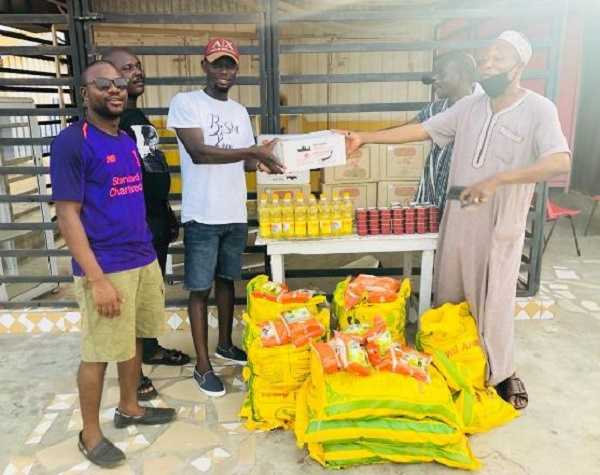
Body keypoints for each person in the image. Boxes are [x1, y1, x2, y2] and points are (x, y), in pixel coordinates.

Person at [341, 31, 571, 410]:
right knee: (450, 296)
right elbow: (422, 130)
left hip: (499, 227)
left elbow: (560, 160)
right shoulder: (470, 106)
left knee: (492, 302)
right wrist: (364, 138)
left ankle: (502, 372)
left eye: (499, 58)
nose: (489, 63)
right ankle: (453, 364)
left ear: (519, 66)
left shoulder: (538, 109)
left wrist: (500, 178)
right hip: (459, 220)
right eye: (487, 58)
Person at [50, 60, 176, 468]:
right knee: (98, 352)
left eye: (120, 83)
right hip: (106, 266)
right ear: (84, 93)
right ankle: (90, 434)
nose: (116, 89)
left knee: (134, 339)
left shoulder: (124, 140)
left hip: (141, 258)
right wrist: (96, 278)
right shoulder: (73, 142)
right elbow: (68, 215)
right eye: (103, 83)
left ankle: (129, 407)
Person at [166, 38, 284, 397]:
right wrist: (251, 149)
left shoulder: (239, 112)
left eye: (230, 64)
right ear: (205, 65)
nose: (224, 70)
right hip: (203, 213)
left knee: (226, 281)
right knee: (199, 289)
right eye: (217, 63)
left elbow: (245, 161)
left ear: (236, 69)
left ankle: (225, 346)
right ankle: (203, 366)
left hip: (234, 211)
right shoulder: (186, 103)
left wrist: (268, 160)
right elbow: (199, 152)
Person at [101, 47, 191, 401]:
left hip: (153, 217)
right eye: (127, 68)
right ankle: (133, 371)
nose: (136, 72)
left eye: (137, 66)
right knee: (133, 297)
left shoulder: (136, 115)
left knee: (151, 292)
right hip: (133, 223)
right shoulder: (115, 119)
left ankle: (150, 348)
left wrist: (164, 213)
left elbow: (150, 170)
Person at [413, 52, 478, 211]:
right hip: (434, 200)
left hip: (465, 202)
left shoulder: (484, 109)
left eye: (442, 75)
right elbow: (408, 130)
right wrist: (360, 136)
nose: (436, 81)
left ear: (462, 74)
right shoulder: (435, 109)